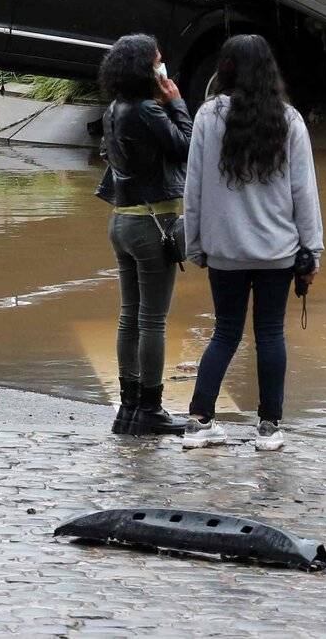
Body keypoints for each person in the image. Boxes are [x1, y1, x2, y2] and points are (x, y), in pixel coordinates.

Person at [181, 35, 323, 453]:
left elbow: (194, 188)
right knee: (269, 334)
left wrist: (194, 244)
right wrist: (312, 251)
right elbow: (305, 193)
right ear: (269, 69)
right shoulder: (289, 120)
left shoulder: (208, 117)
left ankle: (199, 422)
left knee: (224, 332)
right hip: (277, 252)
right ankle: (268, 427)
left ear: (224, 69)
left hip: (224, 250)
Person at [96, 34, 193, 437]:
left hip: (123, 221)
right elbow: (188, 146)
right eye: (157, 62)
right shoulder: (149, 111)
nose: (162, 68)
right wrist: (178, 103)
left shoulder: (115, 110)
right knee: (152, 320)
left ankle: (129, 407)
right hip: (154, 224)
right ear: (144, 68)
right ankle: (150, 409)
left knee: (129, 317)